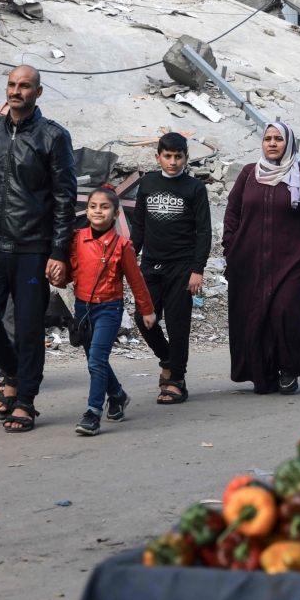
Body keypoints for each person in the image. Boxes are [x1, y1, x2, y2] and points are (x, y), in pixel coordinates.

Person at [0, 65, 77, 433]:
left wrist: (58, 252)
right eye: (11, 85)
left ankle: (24, 400)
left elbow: (64, 198)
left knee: (27, 327)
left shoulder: (53, 137)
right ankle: (13, 372)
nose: (16, 91)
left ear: (38, 93)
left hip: (32, 248)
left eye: (24, 86)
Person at [223, 121, 300, 394]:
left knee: (284, 312)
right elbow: (232, 212)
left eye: (278, 139)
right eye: (268, 138)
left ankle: (288, 369)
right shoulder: (249, 174)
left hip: (291, 260)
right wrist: (231, 246)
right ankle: (263, 374)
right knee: (254, 316)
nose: (272, 143)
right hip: (249, 261)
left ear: (289, 144)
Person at [58, 187, 156, 436]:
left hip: (109, 309)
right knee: (96, 360)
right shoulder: (76, 238)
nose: (98, 211)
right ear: (87, 210)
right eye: (93, 206)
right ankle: (118, 395)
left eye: (104, 207)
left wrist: (147, 310)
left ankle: (93, 413)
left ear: (115, 214)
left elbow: (137, 282)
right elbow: (70, 275)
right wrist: (56, 277)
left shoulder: (123, 247)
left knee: (96, 360)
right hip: (82, 309)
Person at [130, 133, 214, 404]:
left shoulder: (194, 188)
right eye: (168, 156)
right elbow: (139, 226)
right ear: (158, 157)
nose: (173, 161)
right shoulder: (148, 183)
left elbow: (204, 232)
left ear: (186, 158)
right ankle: (167, 358)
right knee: (143, 317)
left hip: (182, 267)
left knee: (178, 325)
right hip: (150, 266)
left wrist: (197, 269)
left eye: (178, 156)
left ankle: (176, 378)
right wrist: (129, 258)